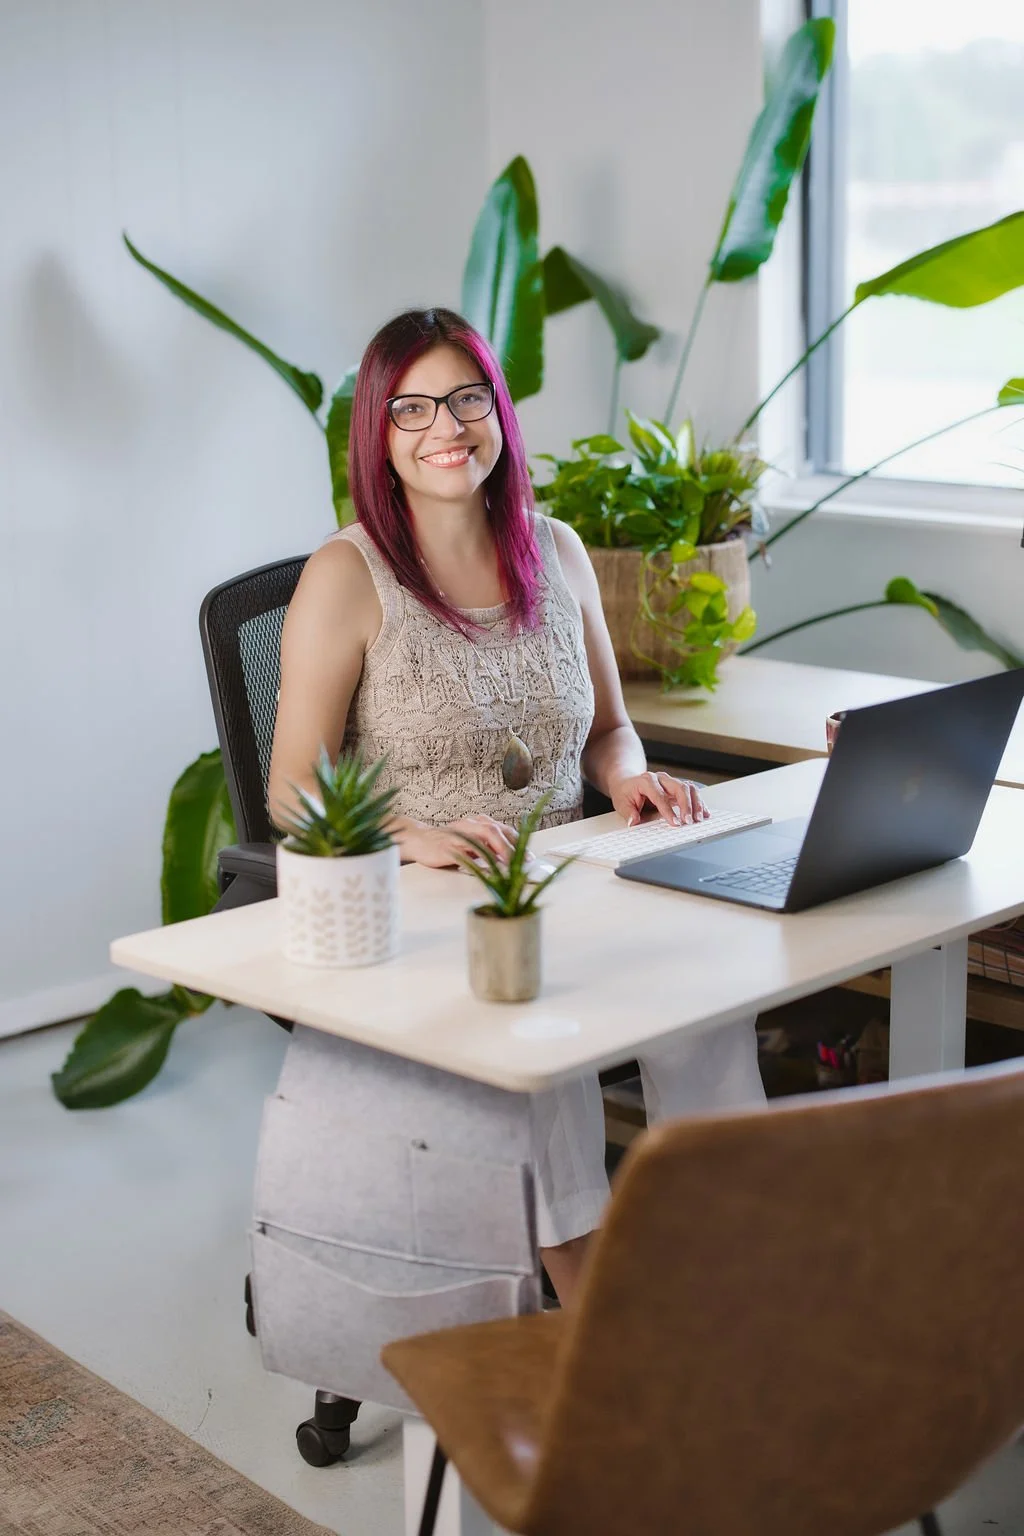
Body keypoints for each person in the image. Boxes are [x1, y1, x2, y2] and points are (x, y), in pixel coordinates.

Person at [268, 307, 764, 1305]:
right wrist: (412, 836)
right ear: (378, 434)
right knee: (533, 1025)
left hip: (571, 869)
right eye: (412, 409)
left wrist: (627, 778)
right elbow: (293, 791)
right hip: (436, 898)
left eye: (466, 399)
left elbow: (609, 731)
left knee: (703, 993)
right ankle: (597, 1314)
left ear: (497, 410)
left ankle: (730, 1258)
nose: (446, 427)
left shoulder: (558, 549)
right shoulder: (346, 576)